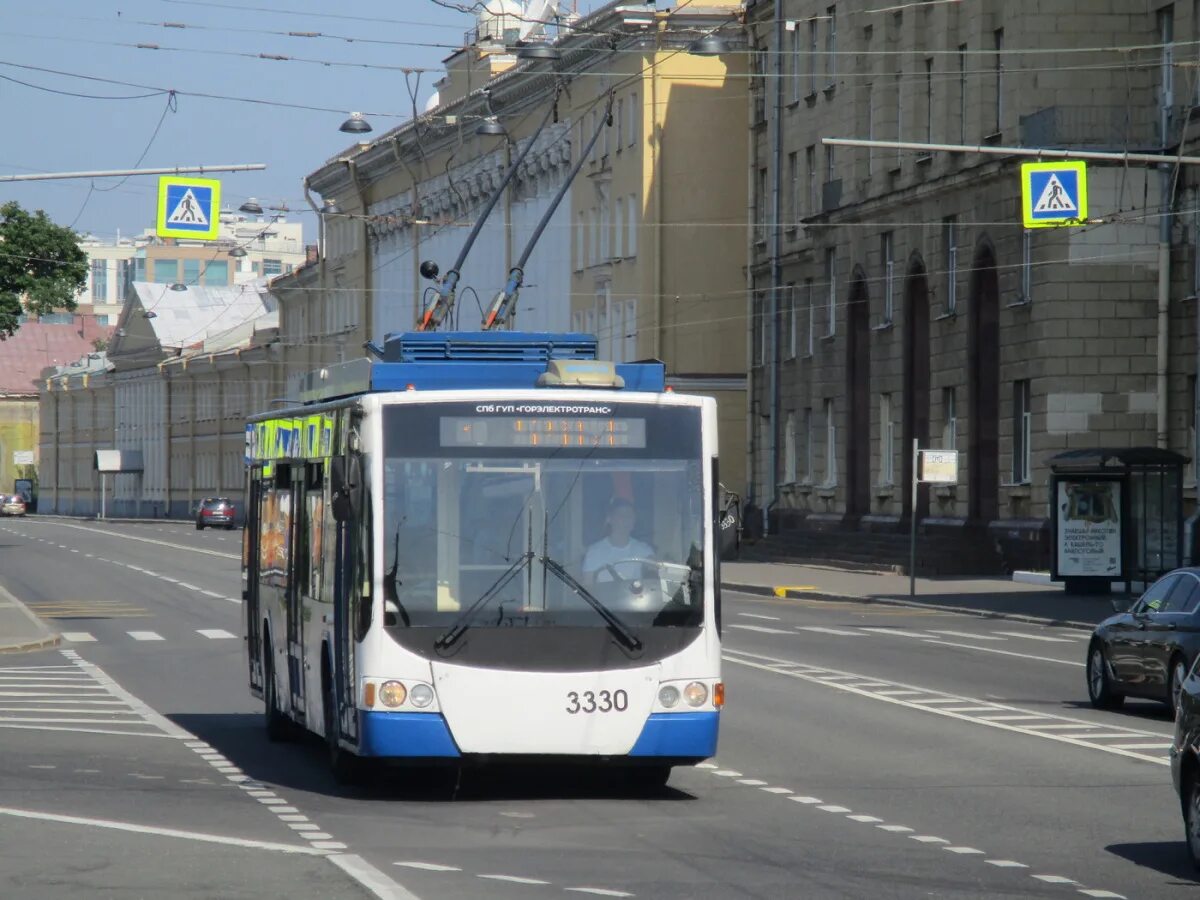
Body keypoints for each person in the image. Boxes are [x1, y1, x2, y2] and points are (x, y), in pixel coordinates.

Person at [583, 497, 654, 585]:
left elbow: (654, 583)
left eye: (630, 516)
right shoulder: (594, 552)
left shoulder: (644, 550)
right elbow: (587, 587)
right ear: (609, 519)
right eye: (621, 515)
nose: (626, 519)